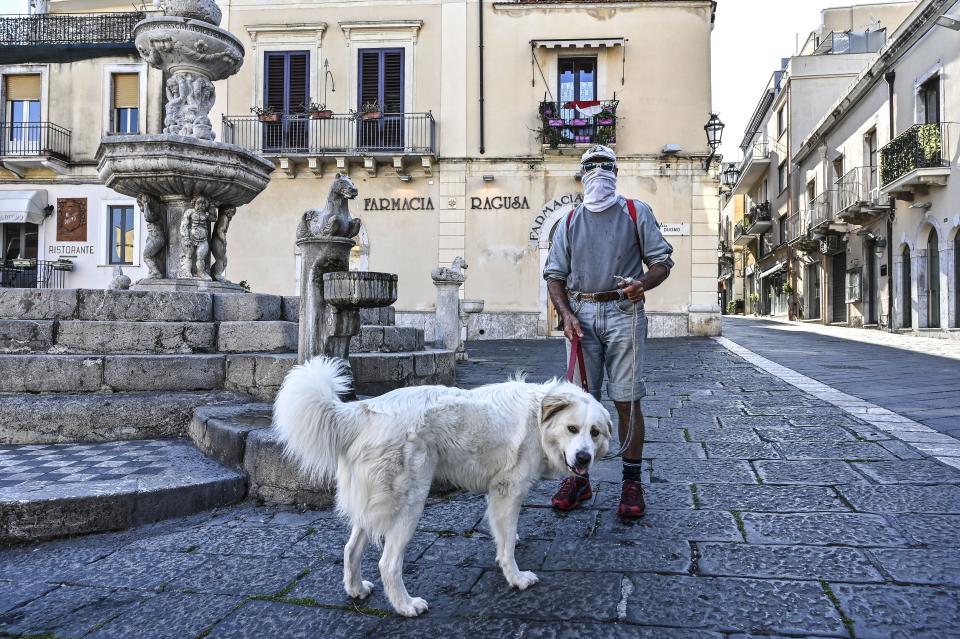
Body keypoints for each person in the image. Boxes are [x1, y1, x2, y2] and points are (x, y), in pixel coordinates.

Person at [542, 144, 674, 518]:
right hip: (580, 312)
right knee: (580, 402)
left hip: (623, 311)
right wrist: (566, 314)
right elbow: (554, 276)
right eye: (591, 166)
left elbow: (662, 263)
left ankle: (631, 483)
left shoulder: (636, 212)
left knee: (627, 398)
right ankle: (579, 478)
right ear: (582, 174)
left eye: (606, 165)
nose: (599, 171)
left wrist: (642, 285)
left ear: (615, 172)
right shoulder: (569, 221)